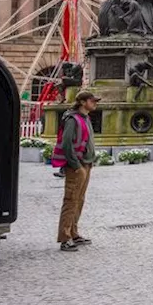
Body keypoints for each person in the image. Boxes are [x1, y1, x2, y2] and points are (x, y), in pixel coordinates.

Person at [51, 91, 99, 252]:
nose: (95, 103)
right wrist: (76, 166)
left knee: (79, 200)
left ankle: (74, 233)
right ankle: (65, 238)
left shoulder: (85, 118)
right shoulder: (72, 119)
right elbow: (66, 143)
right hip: (76, 166)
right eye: (93, 101)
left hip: (86, 164)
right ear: (83, 102)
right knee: (71, 200)